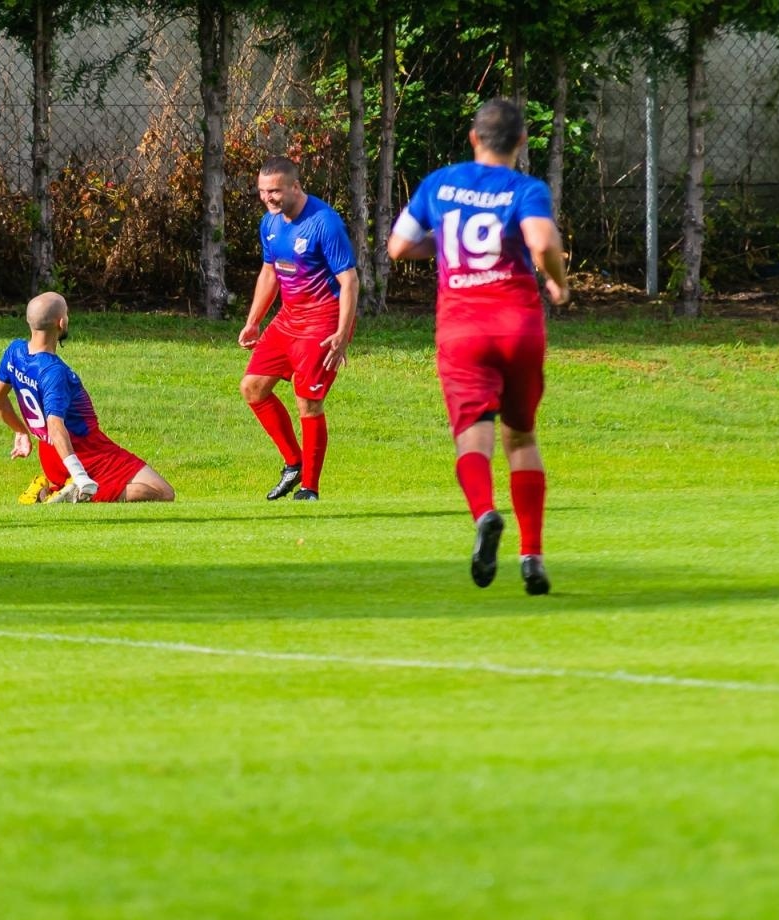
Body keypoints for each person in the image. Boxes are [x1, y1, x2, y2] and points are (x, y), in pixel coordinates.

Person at [387, 98, 570, 595]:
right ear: (521, 143)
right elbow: (543, 243)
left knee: (473, 434)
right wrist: (557, 283)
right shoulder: (525, 188)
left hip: (462, 329)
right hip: (518, 327)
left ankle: (485, 513)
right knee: (523, 438)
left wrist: (443, 245)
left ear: (473, 138)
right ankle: (531, 556)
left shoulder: (440, 184)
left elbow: (399, 246)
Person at [237, 156, 359, 502]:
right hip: (289, 319)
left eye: (274, 191)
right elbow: (270, 273)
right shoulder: (270, 223)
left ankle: (309, 488)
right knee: (252, 388)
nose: (268, 198)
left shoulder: (324, 222)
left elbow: (349, 281)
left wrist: (341, 334)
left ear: (295, 186)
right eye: (262, 191)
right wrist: (254, 321)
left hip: (324, 319)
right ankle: (293, 463)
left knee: (308, 401)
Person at [0, 292, 175, 504]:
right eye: (66, 313)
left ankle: (53, 490)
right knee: (162, 491)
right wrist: (79, 474)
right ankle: (74, 491)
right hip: (85, 450)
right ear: (61, 322)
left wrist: (20, 431)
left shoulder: (15, 352)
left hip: (50, 454)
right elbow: (56, 426)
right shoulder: (53, 371)